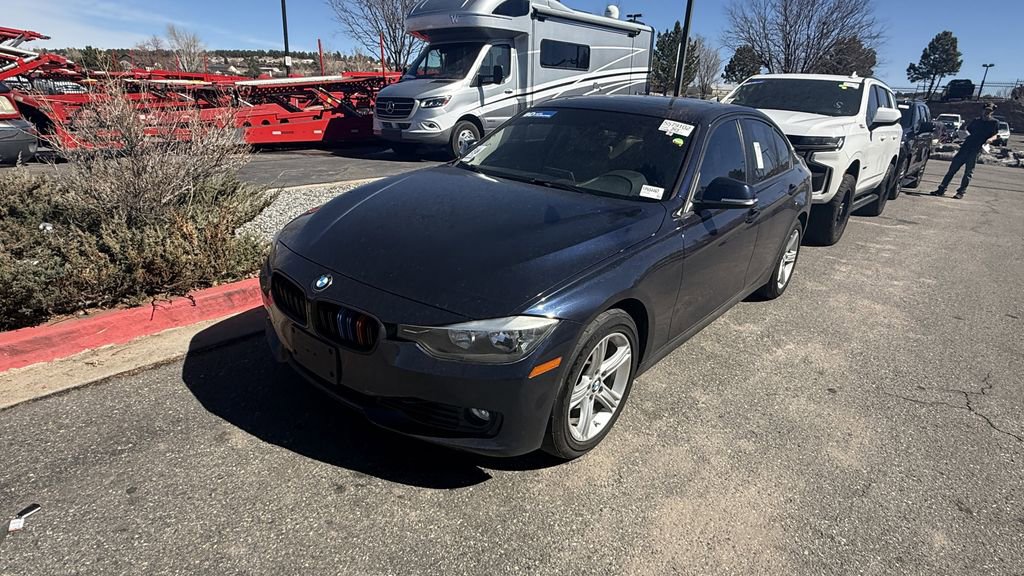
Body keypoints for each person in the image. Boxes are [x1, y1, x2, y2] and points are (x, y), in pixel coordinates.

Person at [931, 103, 1000, 199]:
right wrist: (963, 133)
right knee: (952, 169)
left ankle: (961, 192)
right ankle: (941, 189)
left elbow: (996, 135)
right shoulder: (976, 121)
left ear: (992, 112)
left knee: (968, 172)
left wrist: (990, 139)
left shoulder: (994, 123)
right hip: (965, 147)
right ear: (982, 110)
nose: (986, 112)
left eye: (989, 111)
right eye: (985, 110)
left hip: (976, 149)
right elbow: (967, 130)